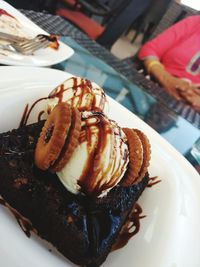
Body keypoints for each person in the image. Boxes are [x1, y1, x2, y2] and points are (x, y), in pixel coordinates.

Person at [138, 15, 200, 112]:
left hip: (190, 114)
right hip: (152, 85)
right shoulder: (196, 22)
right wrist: (166, 79)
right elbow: (150, 50)